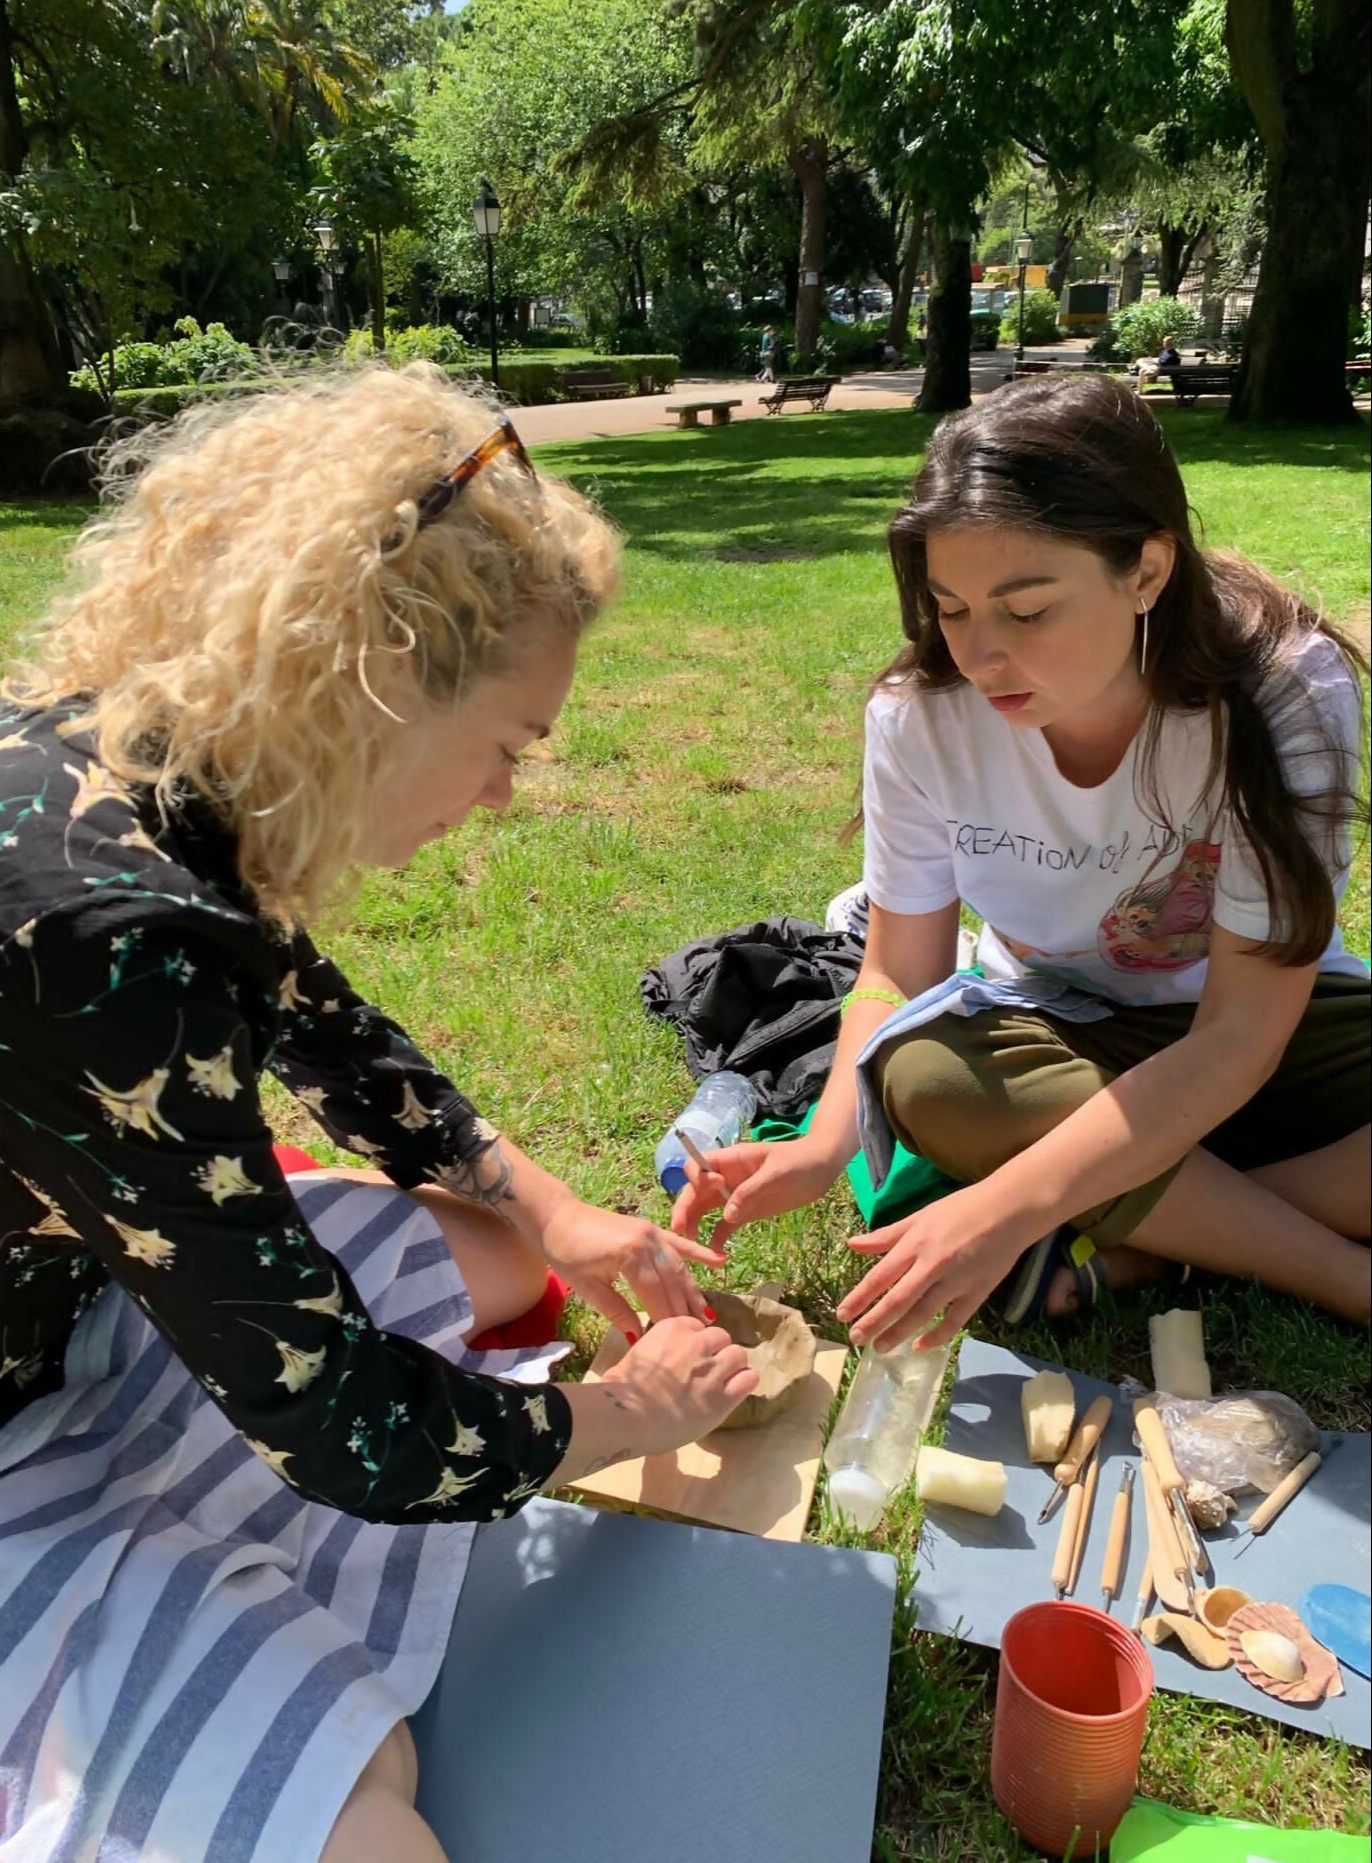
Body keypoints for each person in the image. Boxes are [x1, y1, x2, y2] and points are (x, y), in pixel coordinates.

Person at [0, 366, 756, 1863]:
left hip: (58, 1301)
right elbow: (352, 1435)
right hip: (24, 1409)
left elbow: (327, 1031)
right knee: (365, 1818)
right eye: (510, 745)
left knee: (492, 1265)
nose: (503, 798)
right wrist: (629, 1417)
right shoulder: (101, 944)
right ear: (373, 679)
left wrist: (554, 1210)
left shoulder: (125, 761)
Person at [672, 375, 1370, 1353]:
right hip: (1048, 1035)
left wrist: (1004, 1209)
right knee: (926, 1079)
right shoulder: (918, 719)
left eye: (1027, 609)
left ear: (1147, 571)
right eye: (951, 608)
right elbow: (899, 965)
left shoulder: (1283, 693)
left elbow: (1238, 1035)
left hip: (1254, 1034)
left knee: (1113, 1120)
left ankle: (1153, 1236)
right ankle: (1322, 1264)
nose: (980, 657)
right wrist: (827, 1146)